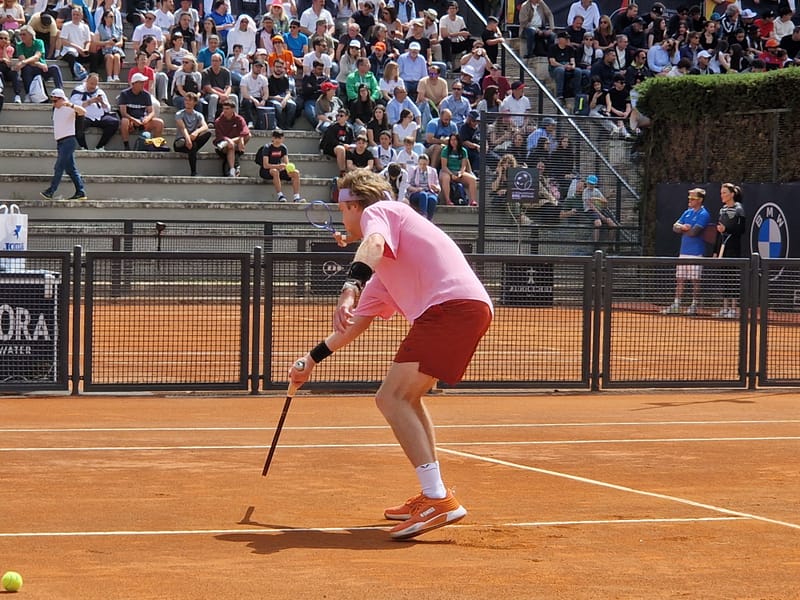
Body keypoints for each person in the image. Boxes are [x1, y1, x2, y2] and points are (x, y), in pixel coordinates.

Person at [287, 168, 493, 540]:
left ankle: (437, 499)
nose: (342, 217)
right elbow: (354, 324)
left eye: (342, 208)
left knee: (391, 397)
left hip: (451, 308)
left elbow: (374, 242)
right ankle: (434, 493)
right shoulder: (385, 270)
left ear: (356, 206)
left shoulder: (381, 212)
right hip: (461, 309)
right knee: (407, 398)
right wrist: (310, 360)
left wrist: (349, 285)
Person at [662, 187, 711, 316]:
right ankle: (676, 304)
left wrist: (682, 228)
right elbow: (674, 227)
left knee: (695, 281)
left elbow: (694, 232)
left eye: (693, 198)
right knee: (680, 279)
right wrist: (684, 227)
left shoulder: (704, 214)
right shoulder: (687, 212)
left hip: (696, 252)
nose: (689, 200)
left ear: (700, 200)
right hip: (683, 251)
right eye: (689, 198)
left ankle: (694, 305)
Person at [39, 89, 87, 201]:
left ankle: (51, 191)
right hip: (61, 142)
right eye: (53, 101)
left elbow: (83, 111)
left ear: (61, 99)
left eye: (55, 101)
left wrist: (69, 105)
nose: (54, 103)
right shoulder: (56, 109)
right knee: (71, 169)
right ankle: (80, 191)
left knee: (59, 166)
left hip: (68, 141)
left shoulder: (68, 107)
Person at [713, 183, 746, 318]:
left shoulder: (739, 209)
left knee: (732, 277)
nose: (722, 195)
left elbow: (741, 230)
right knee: (724, 277)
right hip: (722, 249)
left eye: (725, 193)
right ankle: (725, 308)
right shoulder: (722, 210)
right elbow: (718, 233)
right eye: (721, 193)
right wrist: (715, 251)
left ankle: (734, 309)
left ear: (732, 194)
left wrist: (726, 230)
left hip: (733, 248)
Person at [71, 73, 119, 152]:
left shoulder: (100, 91)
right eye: (91, 84)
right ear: (87, 81)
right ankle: (83, 147)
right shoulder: (78, 90)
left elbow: (108, 109)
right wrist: (90, 101)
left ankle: (100, 146)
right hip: (85, 117)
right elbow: (73, 104)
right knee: (77, 123)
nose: (93, 86)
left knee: (114, 122)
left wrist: (103, 103)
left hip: (99, 117)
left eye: (95, 84)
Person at [119, 72, 165, 150]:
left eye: (143, 82)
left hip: (143, 121)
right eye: (141, 82)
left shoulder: (146, 95)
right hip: (131, 122)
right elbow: (123, 113)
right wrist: (134, 120)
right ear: (134, 83)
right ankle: (126, 145)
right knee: (124, 121)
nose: (143, 84)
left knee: (160, 123)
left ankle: (156, 145)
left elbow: (151, 111)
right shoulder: (124, 94)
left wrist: (147, 118)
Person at [258, 128, 304, 202]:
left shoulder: (283, 148)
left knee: (296, 173)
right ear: (272, 138)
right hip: (266, 171)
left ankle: (296, 197)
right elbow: (265, 165)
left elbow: (286, 162)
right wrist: (278, 166)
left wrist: (286, 168)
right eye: (276, 138)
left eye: (280, 138)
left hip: (278, 169)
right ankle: (280, 195)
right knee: (275, 171)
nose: (278, 140)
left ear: (283, 139)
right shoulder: (267, 148)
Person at [173, 91, 211, 176]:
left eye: (189, 100)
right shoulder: (179, 114)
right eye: (186, 100)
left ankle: (192, 149)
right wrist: (188, 139)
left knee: (207, 133)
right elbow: (183, 128)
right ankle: (194, 172)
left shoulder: (198, 115)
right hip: (181, 141)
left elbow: (205, 126)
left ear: (195, 102)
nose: (187, 102)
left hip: (192, 139)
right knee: (191, 145)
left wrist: (196, 132)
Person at [214, 100, 251, 177]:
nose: (225, 111)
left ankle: (232, 170)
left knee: (248, 135)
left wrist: (241, 138)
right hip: (222, 144)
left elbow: (245, 130)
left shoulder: (239, 119)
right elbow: (219, 136)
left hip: (235, 142)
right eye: (224, 109)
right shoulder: (218, 121)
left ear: (233, 109)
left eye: (227, 109)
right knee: (230, 146)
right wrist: (228, 140)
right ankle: (232, 169)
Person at [405, 153, 440, 220]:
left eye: (424, 164)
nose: (422, 166)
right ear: (418, 163)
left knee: (432, 199)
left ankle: (429, 219)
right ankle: (423, 216)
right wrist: (416, 189)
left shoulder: (433, 171)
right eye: (421, 164)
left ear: (428, 163)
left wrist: (436, 188)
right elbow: (407, 184)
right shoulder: (413, 169)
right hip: (416, 192)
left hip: (429, 191)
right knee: (423, 195)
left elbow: (437, 185)